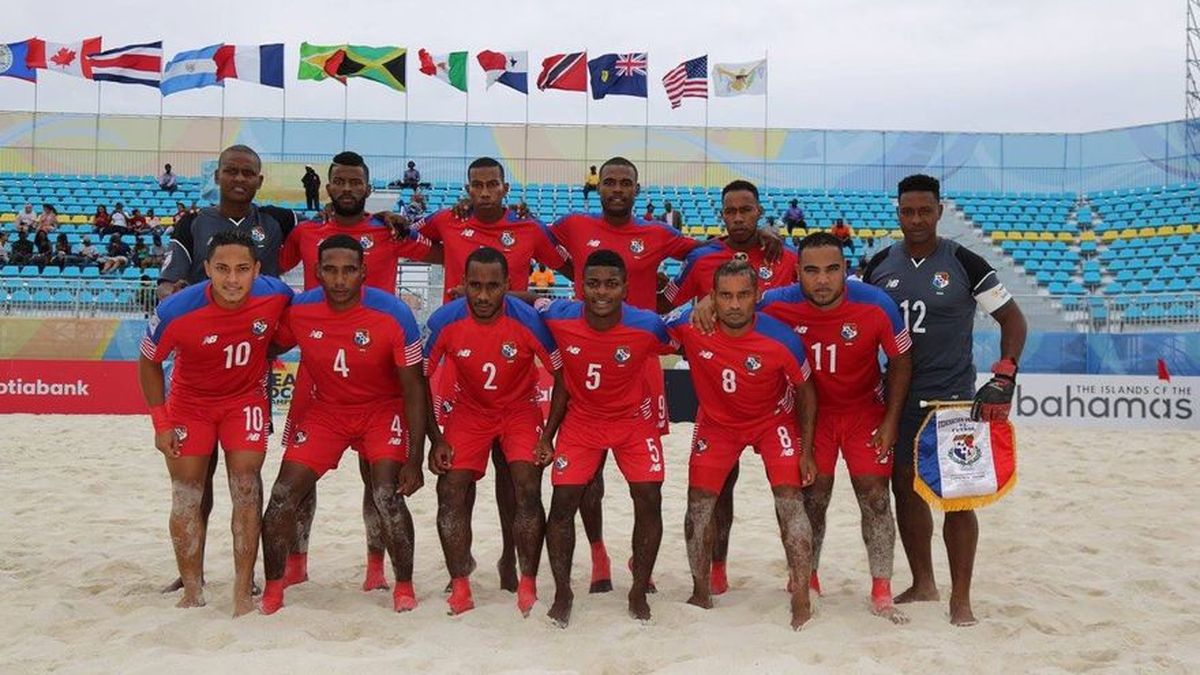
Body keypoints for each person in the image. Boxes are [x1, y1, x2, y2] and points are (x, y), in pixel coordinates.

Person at [864, 173, 1027, 626]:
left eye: (925, 211)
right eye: (907, 211)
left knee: (958, 499)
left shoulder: (965, 262)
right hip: (896, 398)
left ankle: (962, 600)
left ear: (940, 211)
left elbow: (1013, 319)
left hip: (953, 400)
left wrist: (1006, 373)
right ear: (897, 213)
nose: (916, 219)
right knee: (905, 490)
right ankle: (923, 583)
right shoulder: (879, 264)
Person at [276, 151, 432, 592]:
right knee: (300, 474)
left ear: (368, 187)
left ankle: (376, 567)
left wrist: (430, 219)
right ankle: (297, 561)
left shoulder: (388, 230)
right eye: (339, 182)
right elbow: (267, 263)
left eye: (355, 182)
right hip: (318, 371)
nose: (346, 189)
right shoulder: (308, 233)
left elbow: (444, 248)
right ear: (328, 187)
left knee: (377, 478)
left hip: (380, 371)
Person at [414, 156, 570, 592]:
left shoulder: (528, 228)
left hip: (515, 360)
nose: (484, 192)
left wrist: (522, 296)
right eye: (476, 185)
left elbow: (569, 267)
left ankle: (512, 560)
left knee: (515, 475)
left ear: (505, 187)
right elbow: (407, 237)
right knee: (458, 477)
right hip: (458, 363)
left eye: (492, 185)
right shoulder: (448, 219)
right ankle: (460, 568)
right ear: (468, 187)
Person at [261, 234, 427, 614]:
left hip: (382, 409)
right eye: (330, 271)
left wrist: (415, 458)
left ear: (364, 273)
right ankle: (274, 590)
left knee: (386, 493)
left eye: (349, 271)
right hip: (327, 410)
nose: (339, 280)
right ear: (317, 272)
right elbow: (268, 346)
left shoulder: (393, 313)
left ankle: (401, 584)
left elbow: (414, 388)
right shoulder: (300, 310)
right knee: (283, 494)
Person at [137, 229, 293, 616]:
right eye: (221, 269)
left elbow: (302, 313)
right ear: (206, 269)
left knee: (246, 490)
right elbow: (149, 362)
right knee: (187, 495)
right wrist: (161, 423)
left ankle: (242, 592)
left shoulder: (276, 293)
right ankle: (192, 590)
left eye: (242, 269)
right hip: (191, 406)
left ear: (257, 270)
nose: (232, 279)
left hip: (245, 402)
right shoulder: (177, 310)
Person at [760, 231, 914, 624]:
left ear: (847, 270)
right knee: (814, 499)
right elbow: (736, 311)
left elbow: (901, 360)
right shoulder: (777, 305)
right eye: (812, 271)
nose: (823, 280)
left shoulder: (877, 305)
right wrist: (708, 302)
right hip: (812, 419)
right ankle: (807, 579)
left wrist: (891, 421)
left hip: (865, 413)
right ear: (797, 274)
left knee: (876, 498)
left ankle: (881, 589)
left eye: (832, 270)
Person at [659, 179, 798, 593]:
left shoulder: (784, 257)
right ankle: (716, 569)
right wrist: (696, 303)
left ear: (759, 211)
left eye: (746, 210)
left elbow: (802, 302)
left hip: (775, 396)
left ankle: (802, 573)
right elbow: (665, 303)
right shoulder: (703, 260)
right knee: (719, 488)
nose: (739, 218)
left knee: (791, 491)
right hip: (719, 398)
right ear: (722, 215)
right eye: (731, 211)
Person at [666, 260, 818, 630]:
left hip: (773, 421)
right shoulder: (692, 325)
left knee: (790, 504)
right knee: (698, 507)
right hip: (717, 424)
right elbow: (653, 325)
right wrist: (693, 305)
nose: (734, 304)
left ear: (758, 296)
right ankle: (701, 590)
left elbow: (806, 392)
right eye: (725, 296)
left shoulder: (782, 339)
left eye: (744, 295)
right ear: (713, 297)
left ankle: (800, 596)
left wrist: (807, 449)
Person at [535, 250, 677, 628]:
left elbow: (684, 333)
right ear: (580, 287)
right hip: (582, 422)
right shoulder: (560, 315)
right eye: (593, 284)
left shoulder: (647, 325)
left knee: (649, 497)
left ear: (626, 289)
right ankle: (563, 590)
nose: (602, 292)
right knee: (563, 502)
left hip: (632, 421)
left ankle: (636, 587)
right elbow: (529, 299)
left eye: (611, 284)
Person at [424, 246, 563, 616]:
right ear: (462, 285)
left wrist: (548, 434)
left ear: (509, 285)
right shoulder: (444, 321)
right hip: (469, 410)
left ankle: (527, 581)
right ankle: (461, 584)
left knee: (527, 485)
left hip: (519, 410)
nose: (483, 296)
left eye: (492, 286)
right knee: (449, 487)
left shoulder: (529, 321)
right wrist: (434, 437)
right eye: (474, 286)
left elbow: (563, 375)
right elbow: (417, 376)